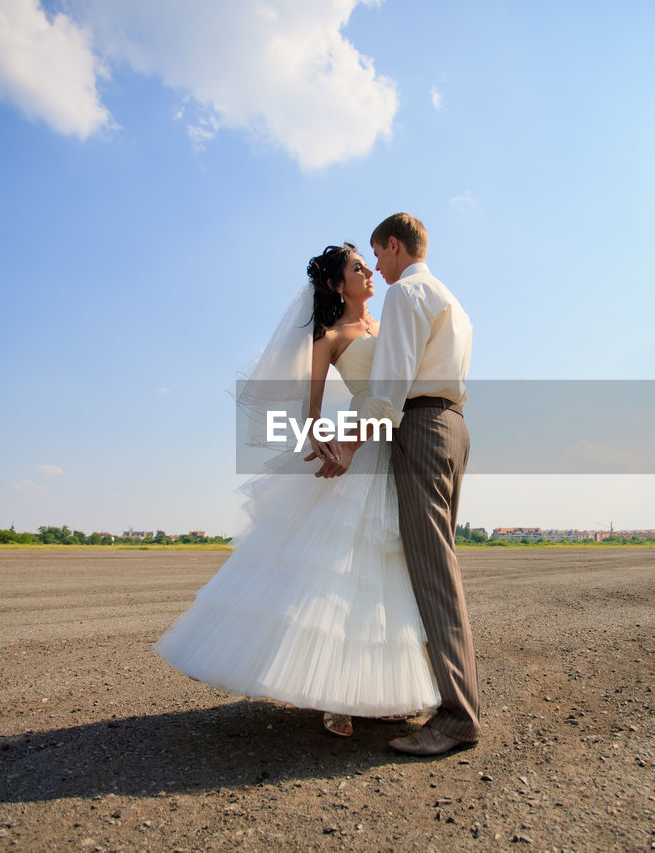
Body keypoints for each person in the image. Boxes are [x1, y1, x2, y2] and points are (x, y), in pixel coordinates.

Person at [153, 242, 440, 738]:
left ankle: (378, 689)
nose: (369, 271)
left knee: (385, 571)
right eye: (357, 268)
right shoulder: (328, 338)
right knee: (338, 571)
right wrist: (322, 438)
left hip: (394, 447)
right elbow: (307, 414)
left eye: (368, 264)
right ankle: (333, 694)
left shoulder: (391, 325)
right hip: (355, 452)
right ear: (335, 285)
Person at [317, 213, 479, 757]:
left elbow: (388, 392)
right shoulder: (448, 298)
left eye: (377, 257)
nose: (377, 268)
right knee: (435, 569)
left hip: (421, 428)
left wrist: (350, 443)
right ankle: (446, 701)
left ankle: (457, 716)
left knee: (434, 575)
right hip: (453, 425)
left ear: (393, 246)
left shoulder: (405, 295)